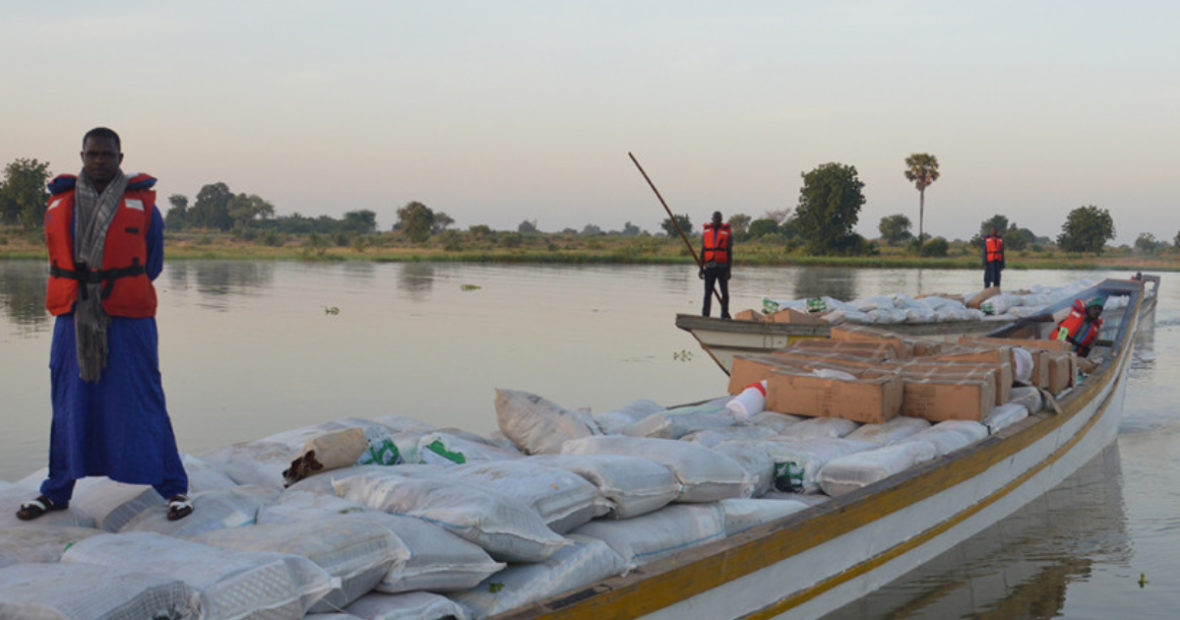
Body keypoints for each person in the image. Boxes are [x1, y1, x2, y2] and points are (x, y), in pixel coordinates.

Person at [17, 127, 192, 522]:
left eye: (107, 155)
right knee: (68, 401)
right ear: (82, 156)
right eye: (92, 154)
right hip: (73, 317)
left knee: (145, 397)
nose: (99, 161)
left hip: (127, 317)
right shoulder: (60, 202)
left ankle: (174, 488)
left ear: (120, 158)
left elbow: (153, 263)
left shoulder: (143, 206)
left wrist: (111, 287)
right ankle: (56, 491)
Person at [699, 211, 731, 319]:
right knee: (707, 293)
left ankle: (724, 315)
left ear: (721, 220)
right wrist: (701, 268)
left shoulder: (726, 232)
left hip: (722, 267)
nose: (717, 220)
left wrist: (729, 270)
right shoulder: (706, 232)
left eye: (719, 218)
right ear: (712, 219)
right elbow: (703, 251)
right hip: (709, 267)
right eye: (715, 218)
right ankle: (705, 315)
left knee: (725, 294)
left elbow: (729, 252)